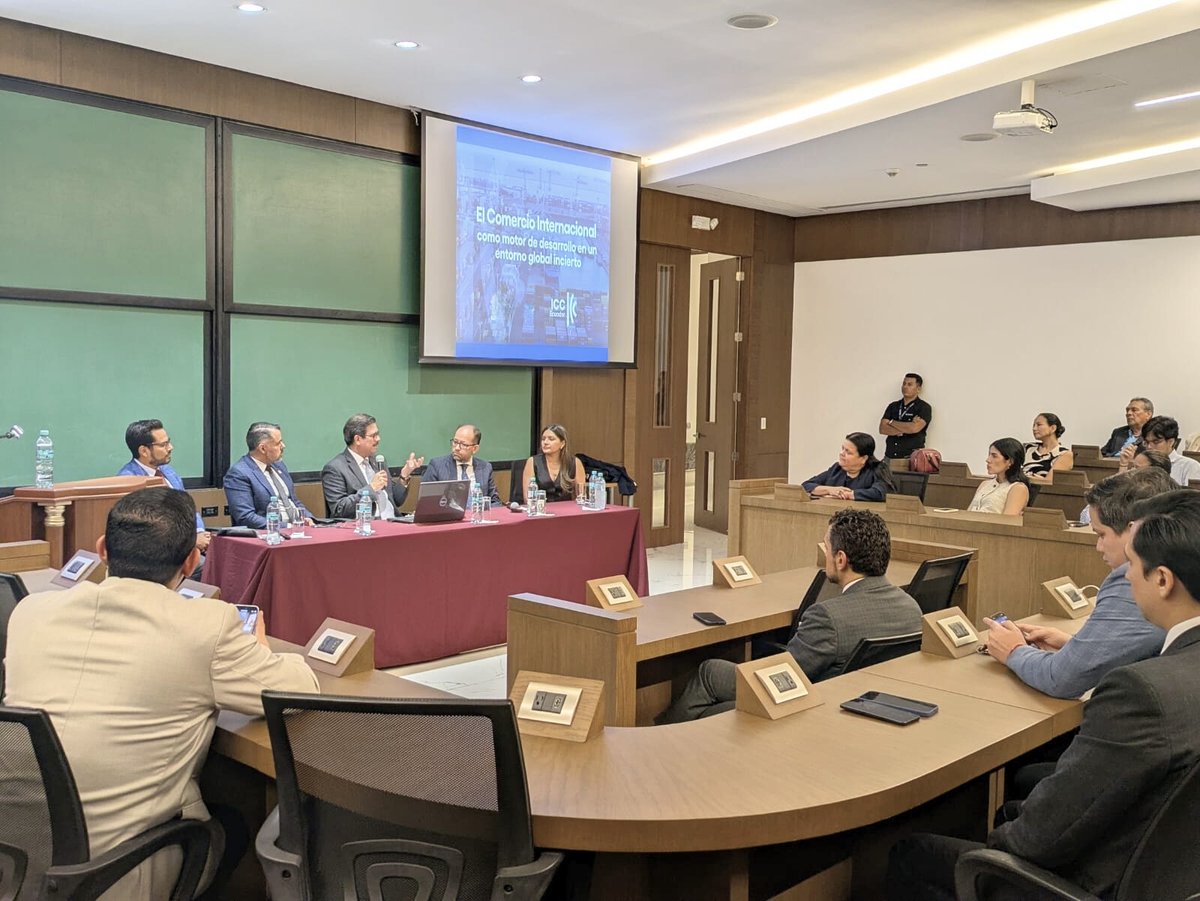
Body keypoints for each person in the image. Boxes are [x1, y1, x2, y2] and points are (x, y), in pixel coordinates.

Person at [3, 487, 319, 901]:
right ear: (192, 560)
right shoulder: (205, 625)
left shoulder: (31, 612)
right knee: (240, 811)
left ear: (102, 550)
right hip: (116, 872)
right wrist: (258, 650)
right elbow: (298, 690)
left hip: (17, 857)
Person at [887, 488, 1200, 901]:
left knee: (913, 853)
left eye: (1135, 566)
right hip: (1171, 870)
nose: (1125, 576)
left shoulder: (1140, 694)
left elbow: (1038, 839)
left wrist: (991, 850)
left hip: (1097, 879)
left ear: (1162, 580)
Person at [655, 509, 922, 723]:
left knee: (710, 673)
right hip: (865, 703)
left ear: (841, 559)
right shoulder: (911, 608)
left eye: (826, 547)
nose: (825, 554)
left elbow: (783, 677)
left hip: (809, 711)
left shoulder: (828, 617)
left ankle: (666, 741)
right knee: (715, 688)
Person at [981, 468, 1172, 698]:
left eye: (1101, 534)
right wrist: (1074, 646)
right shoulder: (1179, 563)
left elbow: (1061, 679)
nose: (1098, 547)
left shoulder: (1136, 579)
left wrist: (1013, 650)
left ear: (1134, 531)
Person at [117, 418, 209, 556]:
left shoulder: (168, 471)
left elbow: (189, 508)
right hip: (160, 555)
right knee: (211, 568)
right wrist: (190, 541)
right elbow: (147, 530)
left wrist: (199, 532)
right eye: (164, 444)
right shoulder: (128, 481)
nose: (170, 447)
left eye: (169, 442)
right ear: (144, 451)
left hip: (188, 545)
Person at [320, 414, 421, 519]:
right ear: (358, 439)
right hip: (364, 528)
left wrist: (404, 475)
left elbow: (396, 501)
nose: (378, 439)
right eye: (373, 436)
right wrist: (371, 489)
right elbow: (339, 509)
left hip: (393, 522)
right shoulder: (335, 468)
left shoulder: (378, 462)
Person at [223, 422, 312, 528]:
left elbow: (293, 500)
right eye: (278, 443)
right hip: (268, 535)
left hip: (298, 530)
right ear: (263, 449)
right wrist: (287, 526)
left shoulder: (279, 466)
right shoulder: (239, 473)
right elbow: (245, 517)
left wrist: (308, 518)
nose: (283, 446)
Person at [802, 432, 896, 502]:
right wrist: (830, 490)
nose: (841, 454)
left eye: (848, 452)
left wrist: (848, 495)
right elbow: (806, 485)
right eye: (842, 449)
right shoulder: (837, 469)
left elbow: (880, 493)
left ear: (863, 458)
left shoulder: (878, 469)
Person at [424, 423, 501, 505]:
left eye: (463, 445)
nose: (457, 448)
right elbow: (426, 503)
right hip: (450, 517)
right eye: (455, 442)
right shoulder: (437, 466)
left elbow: (495, 502)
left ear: (475, 449)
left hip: (478, 516)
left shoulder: (485, 468)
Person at [1120, 415, 1200, 486]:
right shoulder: (1141, 463)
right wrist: (1124, 464)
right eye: (1146, 442)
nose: (1149, 447)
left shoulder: (1189, 466)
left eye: (1156, 442)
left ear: (1171, 442)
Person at [523, 423, 585, 503]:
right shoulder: (532, 462)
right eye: (543, 439)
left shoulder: (575, 462)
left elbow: (581, 496)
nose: (545, 442)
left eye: (551, 439)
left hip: (567, 511)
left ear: (562, 444)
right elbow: (527, 498)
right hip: (541, 510)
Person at [966, 438, 1030, 515]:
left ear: (1010, 461)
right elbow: (968, 512)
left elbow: (1008, 520)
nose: (988, 460)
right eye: (989, 455)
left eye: (994, 456)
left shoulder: (1018, 488)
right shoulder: (984, 484)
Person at [879, 373, 932, 460]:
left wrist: (892, 422)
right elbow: (882, 429)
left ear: (918, 389)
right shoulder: (893, 406)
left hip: (910, 458)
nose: (905, 387)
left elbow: (914, 429)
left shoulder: (924, 407)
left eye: (910, 384)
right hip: (889, 456)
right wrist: (907, 427)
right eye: (904, 384)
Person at [1022, 412, 1073, 480]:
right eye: (1033, 425)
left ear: (1053, 428)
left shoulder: (1064, 454)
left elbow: (1050, 481)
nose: (1034, 428)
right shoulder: (1028, 447)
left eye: (1039, 425)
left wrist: (1026, 477)